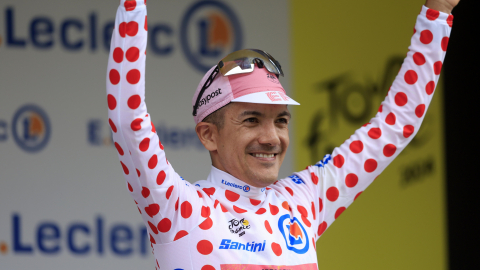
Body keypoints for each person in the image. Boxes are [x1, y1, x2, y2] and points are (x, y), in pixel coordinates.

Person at [106, 0, 458, 268]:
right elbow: (127, 120)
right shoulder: (179, 208)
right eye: (252, 120)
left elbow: (397, 123)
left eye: (281, 120)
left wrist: (438, 11)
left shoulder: (303, 200)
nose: (271, 137)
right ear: (208, 135)